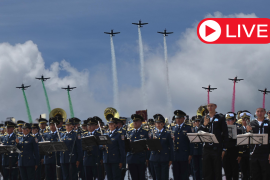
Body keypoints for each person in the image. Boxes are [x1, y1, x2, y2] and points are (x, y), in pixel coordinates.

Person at [198, 103, 228, 180]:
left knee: (217, 171)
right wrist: (205, 124)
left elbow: (225, 133)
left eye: (212, 106)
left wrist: (224, 149)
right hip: (206, 148)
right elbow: (199, 131)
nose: (210, 107)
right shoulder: (204, 118)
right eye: (208, 106)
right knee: (207, 171)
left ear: (215, 106)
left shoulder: (220, 117)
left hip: (216, 148)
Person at [247, 108, 270, 180]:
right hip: (254, 152)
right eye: (258, 111)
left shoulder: (268, 122)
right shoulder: (252, 123)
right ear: (256, 113)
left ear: (265, 112)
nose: (260, 113)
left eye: (261, 111)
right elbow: (248, 137)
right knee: (255, 174)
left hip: (265, 152)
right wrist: (248, 130)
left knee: (266, 173)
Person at [149, 114, 173, 180]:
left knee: (164, 177)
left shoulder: (167, 133)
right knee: (156, 177)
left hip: (164, 158)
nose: (158, 124)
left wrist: (171, 159)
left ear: (163, 124)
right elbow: (149, 146)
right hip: (155, 158)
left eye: (160, 123)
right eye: (157, 123)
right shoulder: (152, 133)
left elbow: (171, 147)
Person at [171, 110, 193, 180]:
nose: (178, 120)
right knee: (176, 174)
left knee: (184, 175)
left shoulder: (188, 128)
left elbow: (191, 142)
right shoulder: (172, 128)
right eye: (177, 118)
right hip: (175, 155)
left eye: (180, 118)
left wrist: (190, 154)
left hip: (184, 154)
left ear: (183, 118)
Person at [126, 114, 149, 180]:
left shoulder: (145, 132)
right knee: (134, 177)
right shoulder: (129, 133)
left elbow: (148, 146)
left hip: (141, 159)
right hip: (131, 159)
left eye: (137, 121)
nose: (135, 123)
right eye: (134, 121)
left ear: (141, 122)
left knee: (141, 177)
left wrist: (147, 158)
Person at [223, 112, 243, 180]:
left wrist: (240, 154)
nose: (228, 122)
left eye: (230, 120)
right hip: (225, 153)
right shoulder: (223, 130)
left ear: (234, 120)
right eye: (227, 120)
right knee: (227, 172)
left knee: (235, 173)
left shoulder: (238, 129)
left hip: (234, 152)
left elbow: (240, 143)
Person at [238, 111, 251, 180]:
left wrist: (249, 131)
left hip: (250, 153)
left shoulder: (253, 129)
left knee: (251, 172)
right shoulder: (239, 129)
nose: (245, 121)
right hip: (242, 154)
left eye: (247, 119)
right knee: (243, 172)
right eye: (243, 120)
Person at [191, 115, 203, 180]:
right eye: (196, 121)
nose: (197, 122)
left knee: (201, 169)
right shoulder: (192, 129)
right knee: (195, 169)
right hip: (194, 151)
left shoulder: (203, 129)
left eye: (199, 121)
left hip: (201, 151)